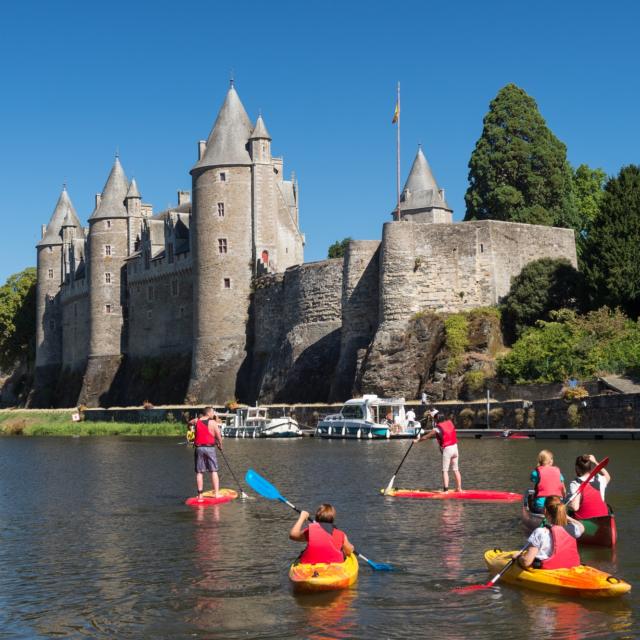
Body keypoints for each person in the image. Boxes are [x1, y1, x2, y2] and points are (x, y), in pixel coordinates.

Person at [518, 496, 584, 569]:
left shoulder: (540, 532)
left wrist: (519, 558)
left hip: (547, 569)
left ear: (545, 511)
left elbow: (526, 562)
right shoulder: (572, 530)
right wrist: (566, 517)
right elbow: (581, 527)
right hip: (568, 567)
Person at [415, 409, 462, 492]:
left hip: (448, 449)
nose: (434, 420)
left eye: (434, 419)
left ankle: (446, 491)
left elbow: (426, 437)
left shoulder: (437, 428)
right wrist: (431, 414)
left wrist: (417, 440)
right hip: (455, 448)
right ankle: (459, 489)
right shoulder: (450, 423)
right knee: (456, 469)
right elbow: (437, 414)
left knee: (445, 470)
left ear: (436, 419)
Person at [289, 503, 354, 564]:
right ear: (333, 519)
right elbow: (348, 551)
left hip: (310, 567)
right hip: (334, 568)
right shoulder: (340, 534)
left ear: (316, 518)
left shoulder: (310, 531)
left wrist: (302, 517)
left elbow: (292, 535)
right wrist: (351, 547)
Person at [192, 407, 223, 501]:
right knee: (213, 470)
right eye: (213, 412)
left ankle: (200, 495)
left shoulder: (196, 421)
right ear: (209, 413)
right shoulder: (213, 422)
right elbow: (218, 436)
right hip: (210, 448)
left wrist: (189, 428)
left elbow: (189, 423)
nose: (213, 414)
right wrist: (220, 445)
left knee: (199, 472)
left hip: (199, 448)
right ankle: (217, 494)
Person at [569, 454, 610, 519]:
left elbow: (575, 507)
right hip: (604, 517)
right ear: (590, 467)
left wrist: (569, 504)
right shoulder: (599, 478)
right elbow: (608, 476)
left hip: (586, 518)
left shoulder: (575, 483)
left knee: (568, 513)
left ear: (577, 468)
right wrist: (595, 462)